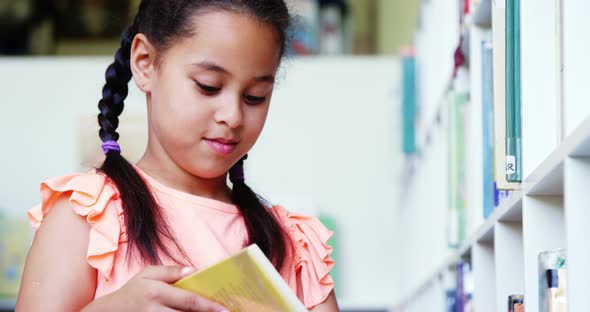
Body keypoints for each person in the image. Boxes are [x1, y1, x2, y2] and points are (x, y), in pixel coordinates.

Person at [16, 1, 338, 311]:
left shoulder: (295, 248)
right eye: (208, 86)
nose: (233, 116)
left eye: (255, 97)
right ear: (144, 63)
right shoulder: (86, 220)